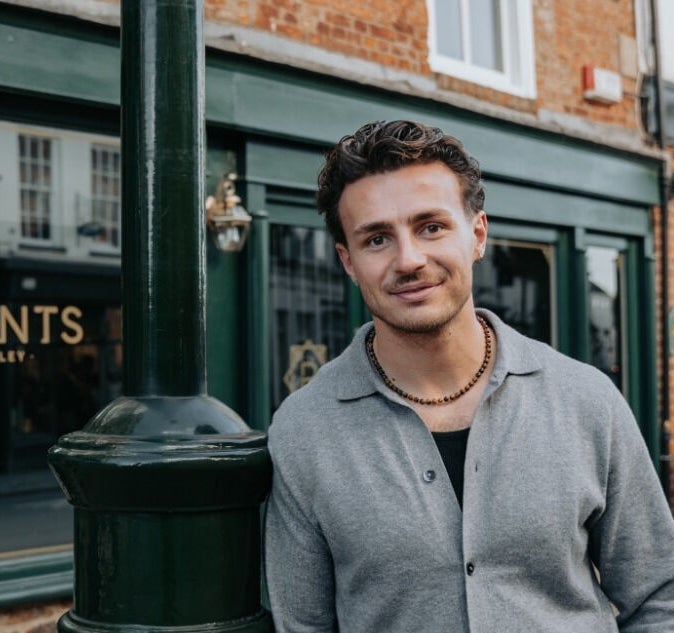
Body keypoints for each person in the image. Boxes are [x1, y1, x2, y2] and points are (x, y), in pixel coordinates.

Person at [264, 120, 674, 632]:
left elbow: (659, 595)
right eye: (376, 239)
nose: (409, 260)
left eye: (431, 227)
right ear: (348, 262)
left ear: (477, 234)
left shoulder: (585, 399)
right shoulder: (304, 430)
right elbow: (302, 625)